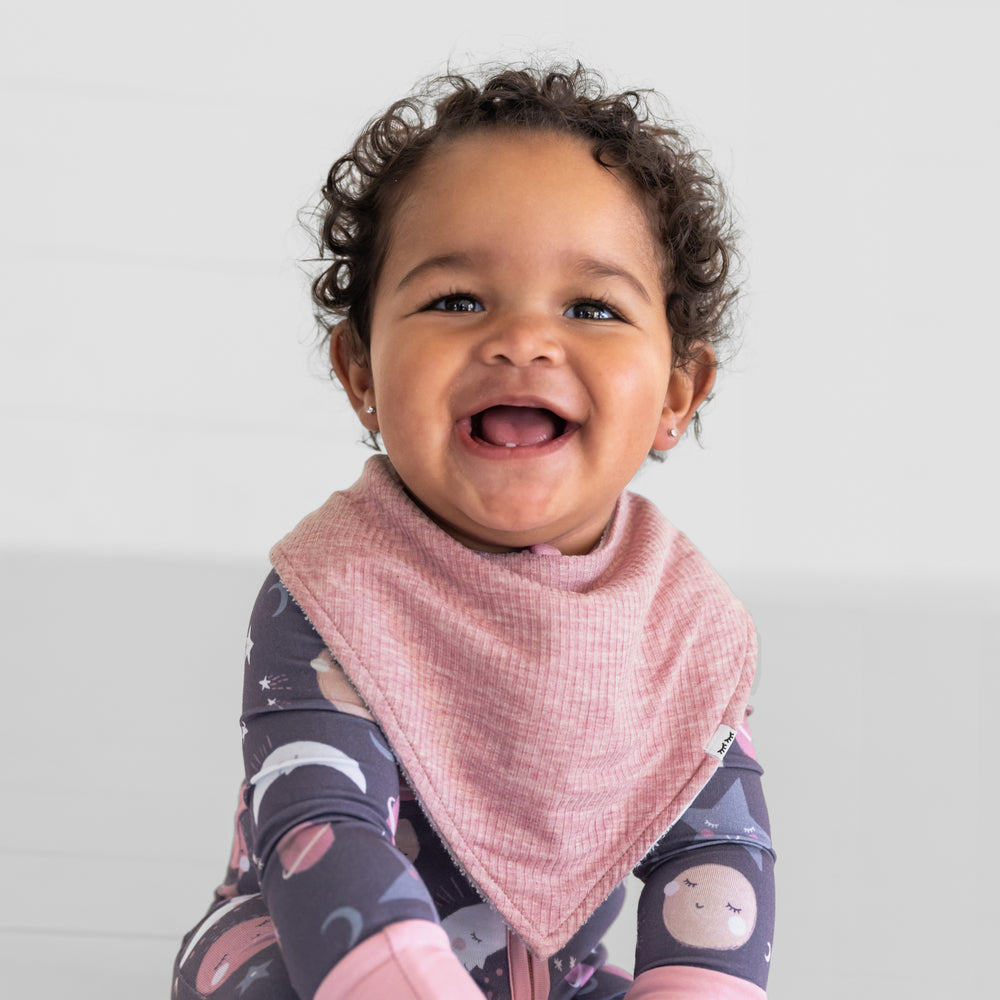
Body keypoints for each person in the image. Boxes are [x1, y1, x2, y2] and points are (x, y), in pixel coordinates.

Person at [172, 63, 775, 1000]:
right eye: (458, 301)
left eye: (592, 308)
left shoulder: (681, 623)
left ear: (678, 393)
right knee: (248, 975)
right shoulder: (337, 587)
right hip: (321, 950)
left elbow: (718, 848)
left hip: (553, 977)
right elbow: (319, 820)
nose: (522, 340)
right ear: (361, 368)